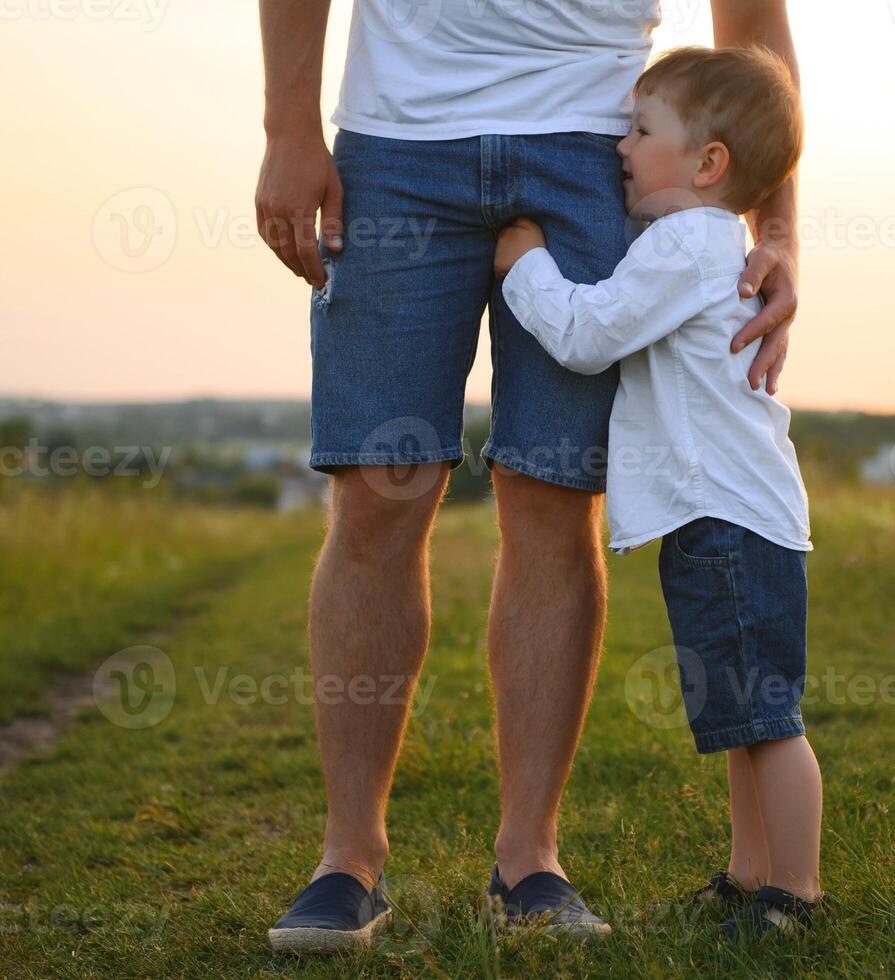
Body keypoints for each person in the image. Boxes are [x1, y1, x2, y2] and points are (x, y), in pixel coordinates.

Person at [254, 0, 801, 953]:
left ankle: (529, 863)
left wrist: (776, 227)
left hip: (602, 149)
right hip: (397, 139)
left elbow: (752, 21)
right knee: (377, 498)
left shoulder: (653, 168)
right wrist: (288, 127)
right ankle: (346, 864)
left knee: (553, 503)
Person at [493, 45, 822, 939]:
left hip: (726, 513)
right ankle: (748, 874)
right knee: (738, 713)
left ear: (708, 164)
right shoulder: (702, 244)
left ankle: (793, 889)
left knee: (767, 718)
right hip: (723, 510)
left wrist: (523, 262)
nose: (620, 146)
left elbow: (589, 334)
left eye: (641, 129)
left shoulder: (686, 242)